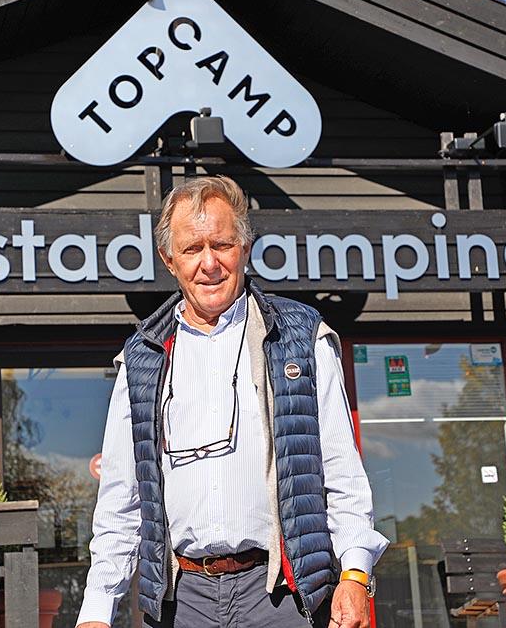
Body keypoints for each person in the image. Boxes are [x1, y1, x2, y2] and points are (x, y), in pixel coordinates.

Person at [77, 176, 388, 628]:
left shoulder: (301, 338)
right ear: (169, 259)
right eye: (192, 249)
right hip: (182, 602)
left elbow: (342, 473)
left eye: (221, 245)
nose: (209, 264)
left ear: (244, 247)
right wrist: (96, 611)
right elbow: (120, 502)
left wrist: (355, 573)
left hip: (283, 597)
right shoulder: (142, 357)